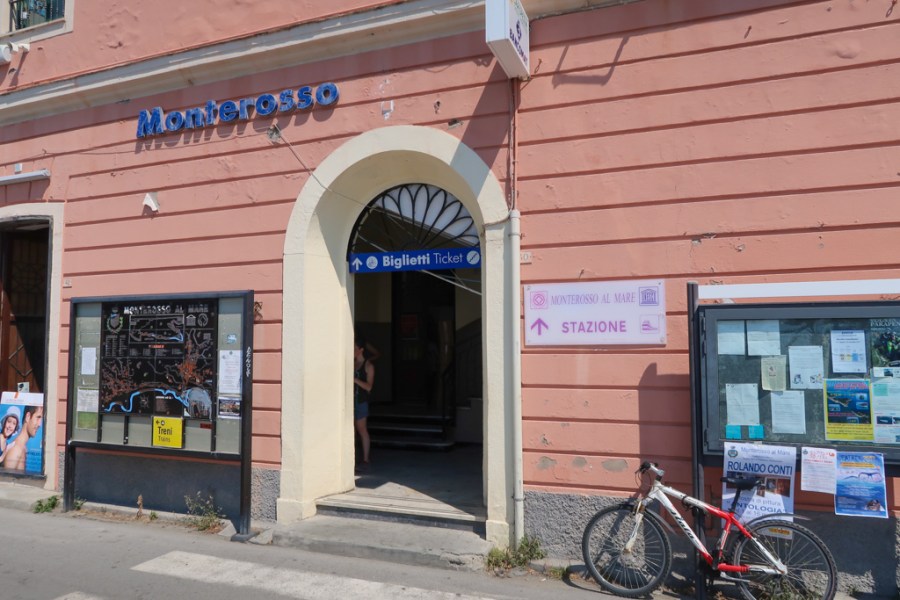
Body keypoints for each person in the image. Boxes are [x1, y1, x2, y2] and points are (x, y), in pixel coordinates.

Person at [353, 336, 375, 469]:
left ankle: (366, 459)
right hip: (350, 402)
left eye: (354, 348)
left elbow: (369, 387)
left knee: (362, 429)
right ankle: (352, 459)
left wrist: (355, 380)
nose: (352, 351)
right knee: (351, 430)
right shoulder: (352, 363)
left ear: (361, 350)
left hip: (361, 401)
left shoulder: (368, 365)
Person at [3, 405, 42, 472]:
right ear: (28, 417)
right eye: (38, 417)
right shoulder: (16, 450)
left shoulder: (22, 448)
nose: (39, 424)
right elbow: (6, 478)